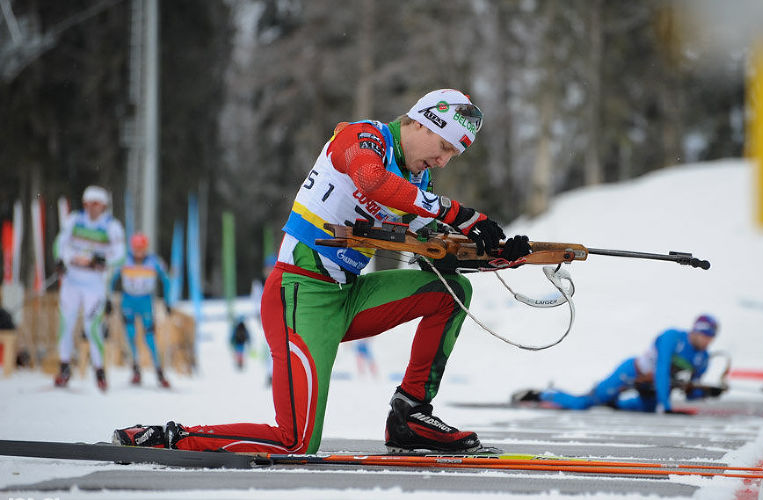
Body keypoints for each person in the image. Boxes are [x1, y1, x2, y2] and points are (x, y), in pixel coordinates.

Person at [112, 89, 532, 453]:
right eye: (444, 148)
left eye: (452, 156)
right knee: (296, 440)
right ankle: (171, 437)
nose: (443, 162)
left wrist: (497, 252)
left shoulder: (418, 184)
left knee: (449, 291)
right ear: (423, 123)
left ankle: (410, 416)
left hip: (347, 297)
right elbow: (371, 181)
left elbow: (435, 251)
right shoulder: (363, 137)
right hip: (299, 294)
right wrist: (459, 214)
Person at [513, 315, 722, 413]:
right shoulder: (673, 337)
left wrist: (707, 392)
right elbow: (661, 370)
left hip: (649, 387)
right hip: (631, 373)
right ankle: (544, 394)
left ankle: (612, 404)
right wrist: (666, 406)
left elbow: (690, 391)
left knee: (643, 409)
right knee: (584, 404)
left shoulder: (703, 359)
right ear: (694, 330)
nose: (706, 340)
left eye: (710, 337)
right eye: (703, 334)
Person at [54, 186, 125, 391]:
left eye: (95, 203)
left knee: (91, 326)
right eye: (87, 203)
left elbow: (120, 254)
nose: (91, 207)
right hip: (72, 281)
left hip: (94, 283)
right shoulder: (75, 219)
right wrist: (60, 260)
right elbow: (60, 242)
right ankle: (64, 367)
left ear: (103, 205)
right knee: (66, 323)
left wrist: (104, 259)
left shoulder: (111, 225)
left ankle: (99, 371)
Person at [109, 232, 172, 388]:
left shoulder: (154, 261)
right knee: (130, 335)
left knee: (149, 337)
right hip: (128, 301)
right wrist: (108, 298)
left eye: (141, 248)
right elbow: (111, 279)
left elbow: (166, 279)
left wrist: (168, 301)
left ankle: (159, 371)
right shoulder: (124, 260)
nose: (139, 252)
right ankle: (136, 369)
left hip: (145, 302)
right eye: (136, 248)